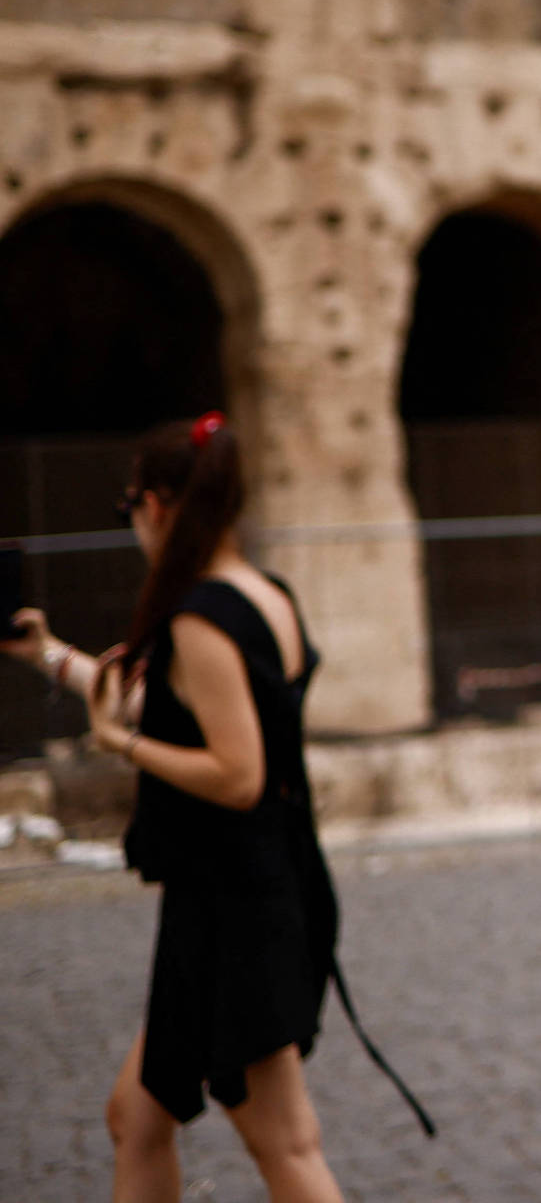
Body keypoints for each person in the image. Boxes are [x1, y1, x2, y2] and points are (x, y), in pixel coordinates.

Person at [6, 415, 351, 1203]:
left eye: (130, 502)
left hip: (238, 910)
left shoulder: (200, 615)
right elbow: (165, 701)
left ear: (160, 504)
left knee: (287, 1147)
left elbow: (237, 775)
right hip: (242, 897)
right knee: (136, 1118)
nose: (130, 520)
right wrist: (49, 656)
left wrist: (118, 747)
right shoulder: (264, 595)